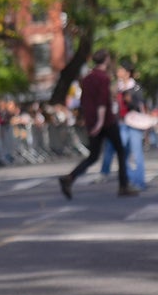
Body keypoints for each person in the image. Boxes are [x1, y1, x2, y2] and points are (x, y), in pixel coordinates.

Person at [58, 50, 139, 199]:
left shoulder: (87, 78)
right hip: (105, 122)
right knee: (120, 151)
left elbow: (83, 101)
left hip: (92, 121)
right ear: (106, 60)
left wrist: (89, 120)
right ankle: (123, 185)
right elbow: (102, 102)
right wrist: (100, 122)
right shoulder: (103, 78)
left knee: (93, 156)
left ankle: (70, 178)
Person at [115, 60, 147, 190]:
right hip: (122, 123)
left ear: (127, 73)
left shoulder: (135, 87)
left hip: (134, 123)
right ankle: (131, 178)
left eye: (120, 70)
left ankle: (139, 182)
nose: (118, 72)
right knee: (122, 153)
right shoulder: (117, 87)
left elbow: (140, 105)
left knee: (137, 153)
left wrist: (130, 101)